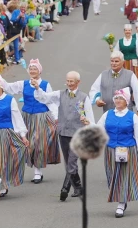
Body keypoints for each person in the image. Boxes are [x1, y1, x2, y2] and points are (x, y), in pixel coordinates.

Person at [0, 59, 60, 184]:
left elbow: (50, 100)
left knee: (37, 143)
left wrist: (56, 117)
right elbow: (8, 87)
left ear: (39, 71)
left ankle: (38, 171)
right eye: (31, 69)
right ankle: (17, 168)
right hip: (26, 116)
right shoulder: (24, 83)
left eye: (35, 69)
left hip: (40, 117)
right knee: (25, 143)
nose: (32, 71)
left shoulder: (45, 84)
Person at [33, 71, 94, 201]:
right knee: (68, 162)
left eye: (72, 81)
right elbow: (44, 98)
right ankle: (78, 187)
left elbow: (90, 116)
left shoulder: (84, 97)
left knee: (72, 161)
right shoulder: (60, 94)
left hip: (78, 134)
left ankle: (65, 188)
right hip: (63, 133)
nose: (69, 83)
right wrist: (38, 88)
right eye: (68, 81)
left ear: (78, 82)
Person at [95, 89, 138, 218]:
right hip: (111, 150)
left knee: (124, 176)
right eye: (116, 98)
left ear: (126, 101)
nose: (117, 101)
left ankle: (121, 203)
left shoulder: (132, 116)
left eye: (120, 98)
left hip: (127, 150)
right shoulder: (107, 114)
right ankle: (120, 198)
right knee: (112, 176)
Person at [88, 50, 138, 115]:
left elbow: (137, 92)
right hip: (108, 114)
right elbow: (94, 89)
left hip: (126, 114)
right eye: (112, 61)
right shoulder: (103, 74)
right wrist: (97, 100)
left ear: (123, 62)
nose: (113, 63)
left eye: (116, 61)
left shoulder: (130, 75)